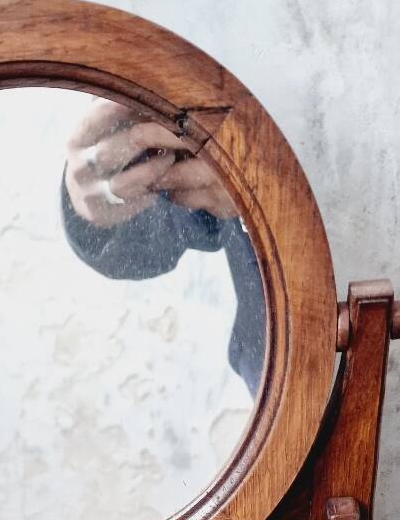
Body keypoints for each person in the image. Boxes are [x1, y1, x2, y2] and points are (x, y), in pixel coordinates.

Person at [61, 100, 265, 394]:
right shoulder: (175, 129)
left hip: (293, 358)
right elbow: (153, 234)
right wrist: (91, 196)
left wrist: (269, 178)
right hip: (284, 361)